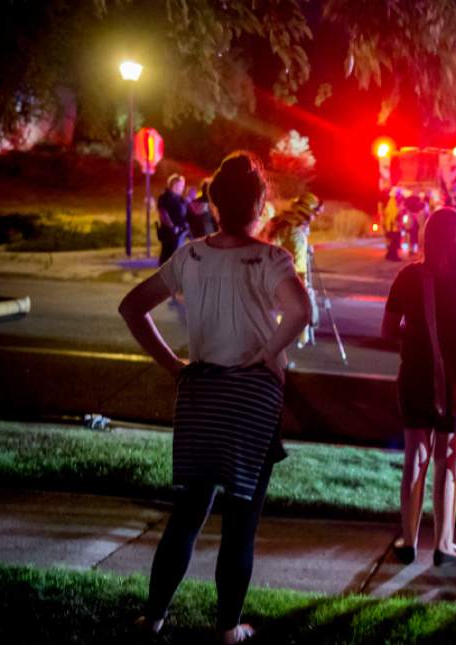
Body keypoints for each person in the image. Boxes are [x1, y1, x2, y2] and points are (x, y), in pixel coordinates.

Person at [120, 152, 311, 644]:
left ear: (211, 202)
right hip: (251, 400)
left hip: (201, 392)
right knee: (241, 519)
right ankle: (228, 627)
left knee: (187, 514)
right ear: (261, 202)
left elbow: (132, 306)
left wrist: (173, 365)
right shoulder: (270, 259)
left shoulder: (192, 255)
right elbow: (300, 311)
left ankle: (155, 617)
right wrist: (270, 352)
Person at [382, 207, 456, 566]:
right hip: (453, 380)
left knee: (415, 455)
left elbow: (386, 330)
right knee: (448, 460)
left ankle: (409, 540)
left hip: (415, 373)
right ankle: (444, 545)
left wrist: (416, 335)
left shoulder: (408, 277)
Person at [262, 192, 323, 347]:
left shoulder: (278, 222)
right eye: (314, 213)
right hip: (285, 280)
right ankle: (297, 341)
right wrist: (304, 286)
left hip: (267, 276)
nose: (315, 217)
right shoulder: (295, 232)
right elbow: (299, 263)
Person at [157, 174, 189, 264]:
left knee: (176, 256)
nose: (183, 188)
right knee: (168, 256)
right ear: (175, 185)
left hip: (180, 232)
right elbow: (163, 213)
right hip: (170, 232)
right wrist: (172, 227)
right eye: (181, 185)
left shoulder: (180, 199)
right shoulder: (165, 197)